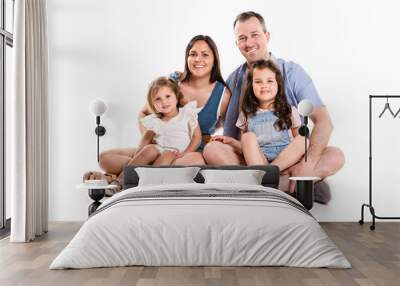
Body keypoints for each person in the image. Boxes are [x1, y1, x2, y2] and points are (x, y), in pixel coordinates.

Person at [203, 11, 345, 201]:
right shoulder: (234, 80)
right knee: (212, 150)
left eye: (255, 35)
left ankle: (265, 183)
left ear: (267, 36)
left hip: (287, 158)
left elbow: (323, 123)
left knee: (335, 155)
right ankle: (285, 185)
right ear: (237, 44)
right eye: (242, 38)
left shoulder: (293, 73)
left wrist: (308, 164)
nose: (249, 42)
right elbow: (216, 122)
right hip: (251, 158)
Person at [85, 35, 231, 186]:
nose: (198, 59)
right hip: (159, 146)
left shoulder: (223, 94)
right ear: (187, 57)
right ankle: (140, 172)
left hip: (186, 153)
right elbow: (144, 112)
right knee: (104, 158)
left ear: (214, 59)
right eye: (193, 54)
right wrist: (152, 141)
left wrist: (204, 139)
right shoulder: (174, 83)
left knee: (196, 161)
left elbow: (222, 127)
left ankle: (120, 179)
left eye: (205, 54)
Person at [213, 59, 305, 170]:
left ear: (278, 84)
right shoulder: (246, 114)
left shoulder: (289, 111)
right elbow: (245, 148)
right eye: (258, 81)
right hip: (259, 159)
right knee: (247, 137)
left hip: (284, 159)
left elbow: (296, 143)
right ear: (251, 86)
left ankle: (272, 170)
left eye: (269, 81)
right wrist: (231, 141)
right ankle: (265, 172)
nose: (264, 85)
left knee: (303, 140)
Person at [131, 76, 201, 166]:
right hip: (159, 150)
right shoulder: (155, 121)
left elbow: (196, 137)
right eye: (158, 99)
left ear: (176, 96)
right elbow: (144, 142)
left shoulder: (187, 114)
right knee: (149, 149)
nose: (164, 102)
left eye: (167, 96)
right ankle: (123, 177)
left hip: (177, 152)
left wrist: (186, 153)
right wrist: (136, 156)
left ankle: (151, 178)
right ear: (153, 104)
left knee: (167, 154)